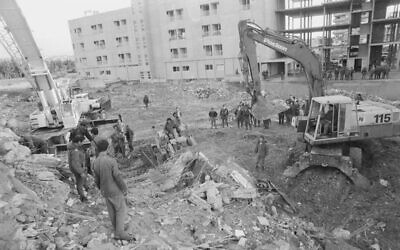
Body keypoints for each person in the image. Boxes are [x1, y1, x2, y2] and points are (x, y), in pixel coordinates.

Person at [93, 139, 135, 241]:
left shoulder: (95, 162)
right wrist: (124, 188)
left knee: (111, 210)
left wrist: (101, 189)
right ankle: (119, 233)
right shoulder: (111, 160)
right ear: (107, 148)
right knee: (121, 209)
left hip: (105, 191)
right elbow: (117, 176)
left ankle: (117, 228)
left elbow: (96, 179)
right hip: (115, 189)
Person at [68, 135, 89, 202]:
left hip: (80, 168)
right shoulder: (75, 151)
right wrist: (81, 172)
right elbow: (75, 163)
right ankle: (83, 197)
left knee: (83, 180)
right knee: (79, 183)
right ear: (78, 142)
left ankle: (86, 189)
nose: (82, 143)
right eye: (82, 142)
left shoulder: (75, 147)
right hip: (78, 169)